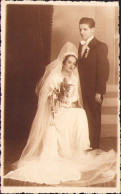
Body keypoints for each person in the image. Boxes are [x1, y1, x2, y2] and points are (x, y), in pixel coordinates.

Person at [4, 42, 116, 186]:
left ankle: (80, 149)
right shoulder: (54, 78)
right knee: (69, 117)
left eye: (74, 64)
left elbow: (75, 98)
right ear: (63, 63)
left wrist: (69, 104)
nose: (71, 66)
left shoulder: (74, 79)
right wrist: (55, 101)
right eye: (69, 63)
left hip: (67, 108)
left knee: (81, 114)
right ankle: (65, 153)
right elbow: (45, 98)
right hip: (54, 111)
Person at [78, 17, 110, 149]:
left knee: (94, 119)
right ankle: (85, 146)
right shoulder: (80, 44)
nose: (82, 32)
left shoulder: (101, 46)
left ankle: (94, 148)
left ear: (93, 30)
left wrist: (99, 91)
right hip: (82, 90)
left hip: (94, 91)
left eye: (85, 29)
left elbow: (104, 70)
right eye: (80, 29)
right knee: (84, 119)